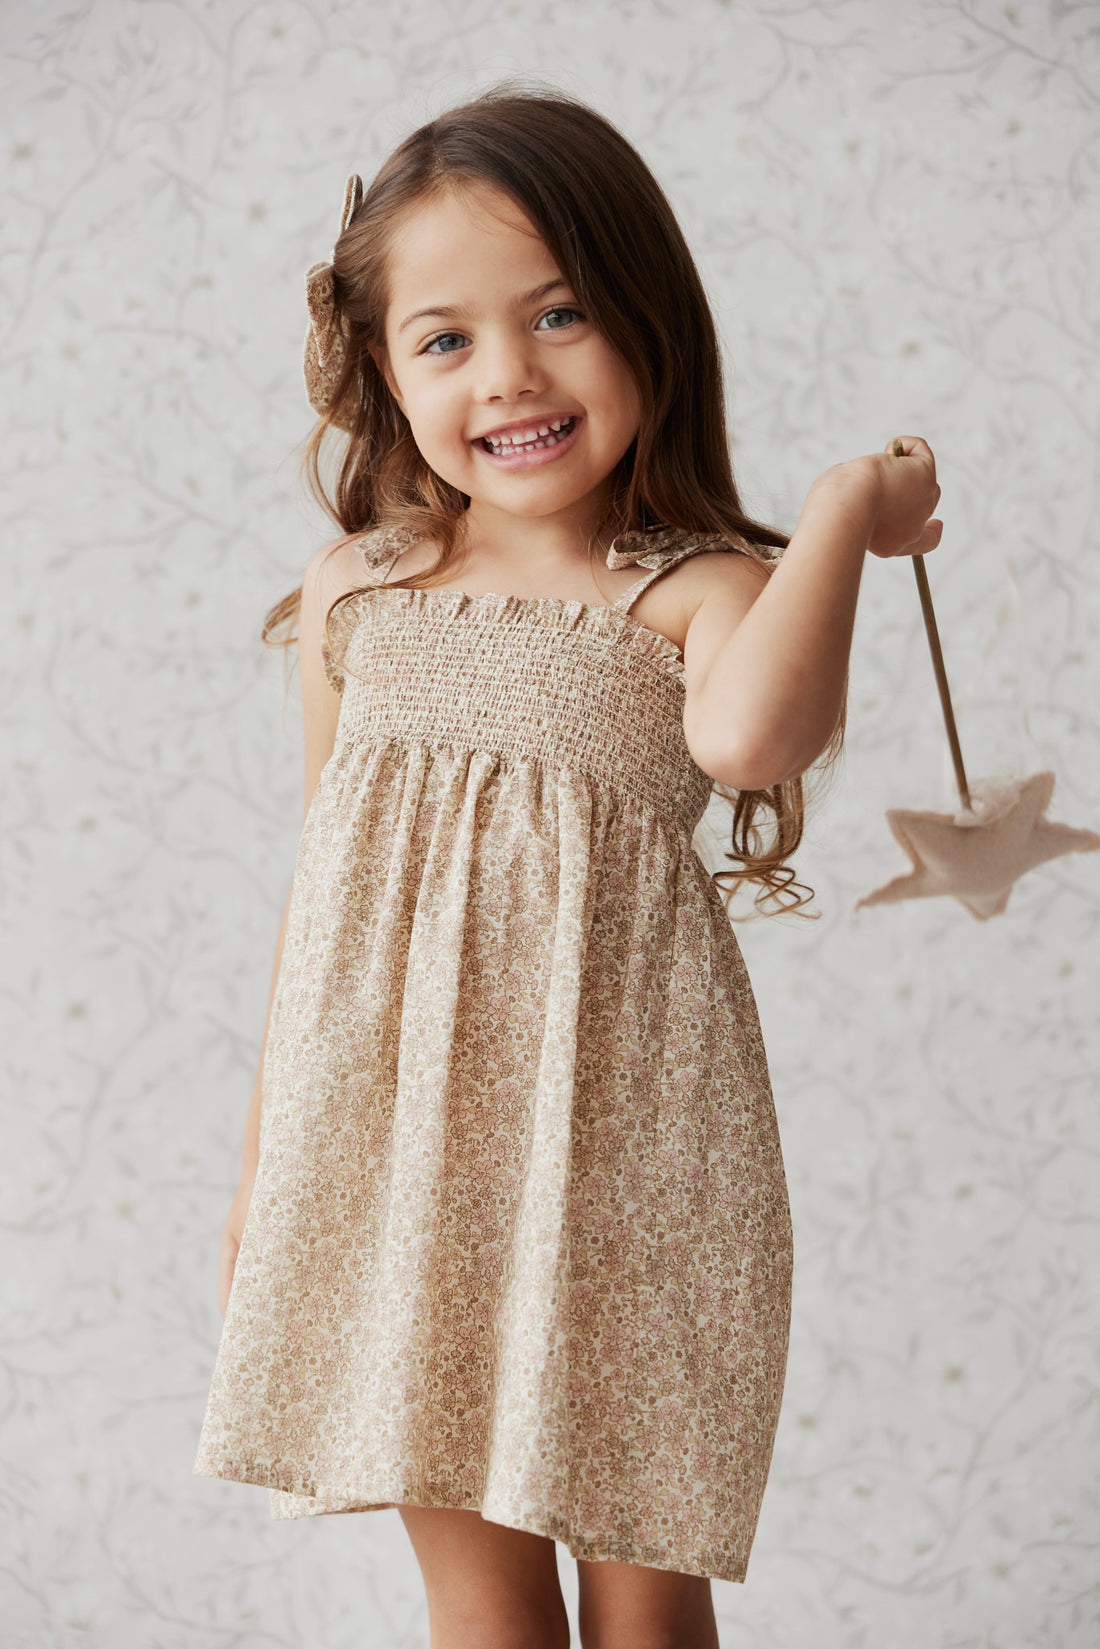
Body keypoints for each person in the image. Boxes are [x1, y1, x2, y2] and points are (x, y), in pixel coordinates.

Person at [193, 82, 942, 1649]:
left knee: (646, 1612)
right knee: (480, 1606)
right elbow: (321, 900)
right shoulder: (356, 593)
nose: (510, 374)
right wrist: (265, 1172)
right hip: (397, 1163)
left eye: (559, 313)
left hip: (632, 1168)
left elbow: (753, 738)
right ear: (383, 371)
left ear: (649, 319)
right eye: (445, 337)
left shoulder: (692, 591)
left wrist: (840, 514)